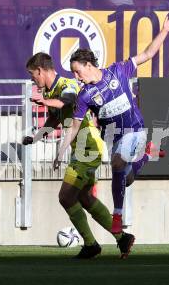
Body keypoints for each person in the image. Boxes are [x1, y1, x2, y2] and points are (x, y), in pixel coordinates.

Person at [54, 14, 169, 234]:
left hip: (135, 129)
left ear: (88, 65)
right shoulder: (85, 96)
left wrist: (166, 29)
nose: (75, 76)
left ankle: (118, 215)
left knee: (118, 163)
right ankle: (146, 154)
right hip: (114, 139)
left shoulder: (118, 71)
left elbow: (148, 54)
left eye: (77, 71)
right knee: (127, 179)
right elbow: (74, 127)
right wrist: (60, 152)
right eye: (73, 72)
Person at [23, 52, 135, 259]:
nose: (32, 80)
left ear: (40, 71)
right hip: (81, 149)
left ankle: (92, 245)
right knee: (84, 197)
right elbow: (54, 120)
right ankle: (122, 238)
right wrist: (35, 138)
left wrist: (46, 103)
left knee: (65, 197)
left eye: (32, 75)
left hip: (87, 148)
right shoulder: (49, 93)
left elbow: (68, 100)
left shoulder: (67, 84)